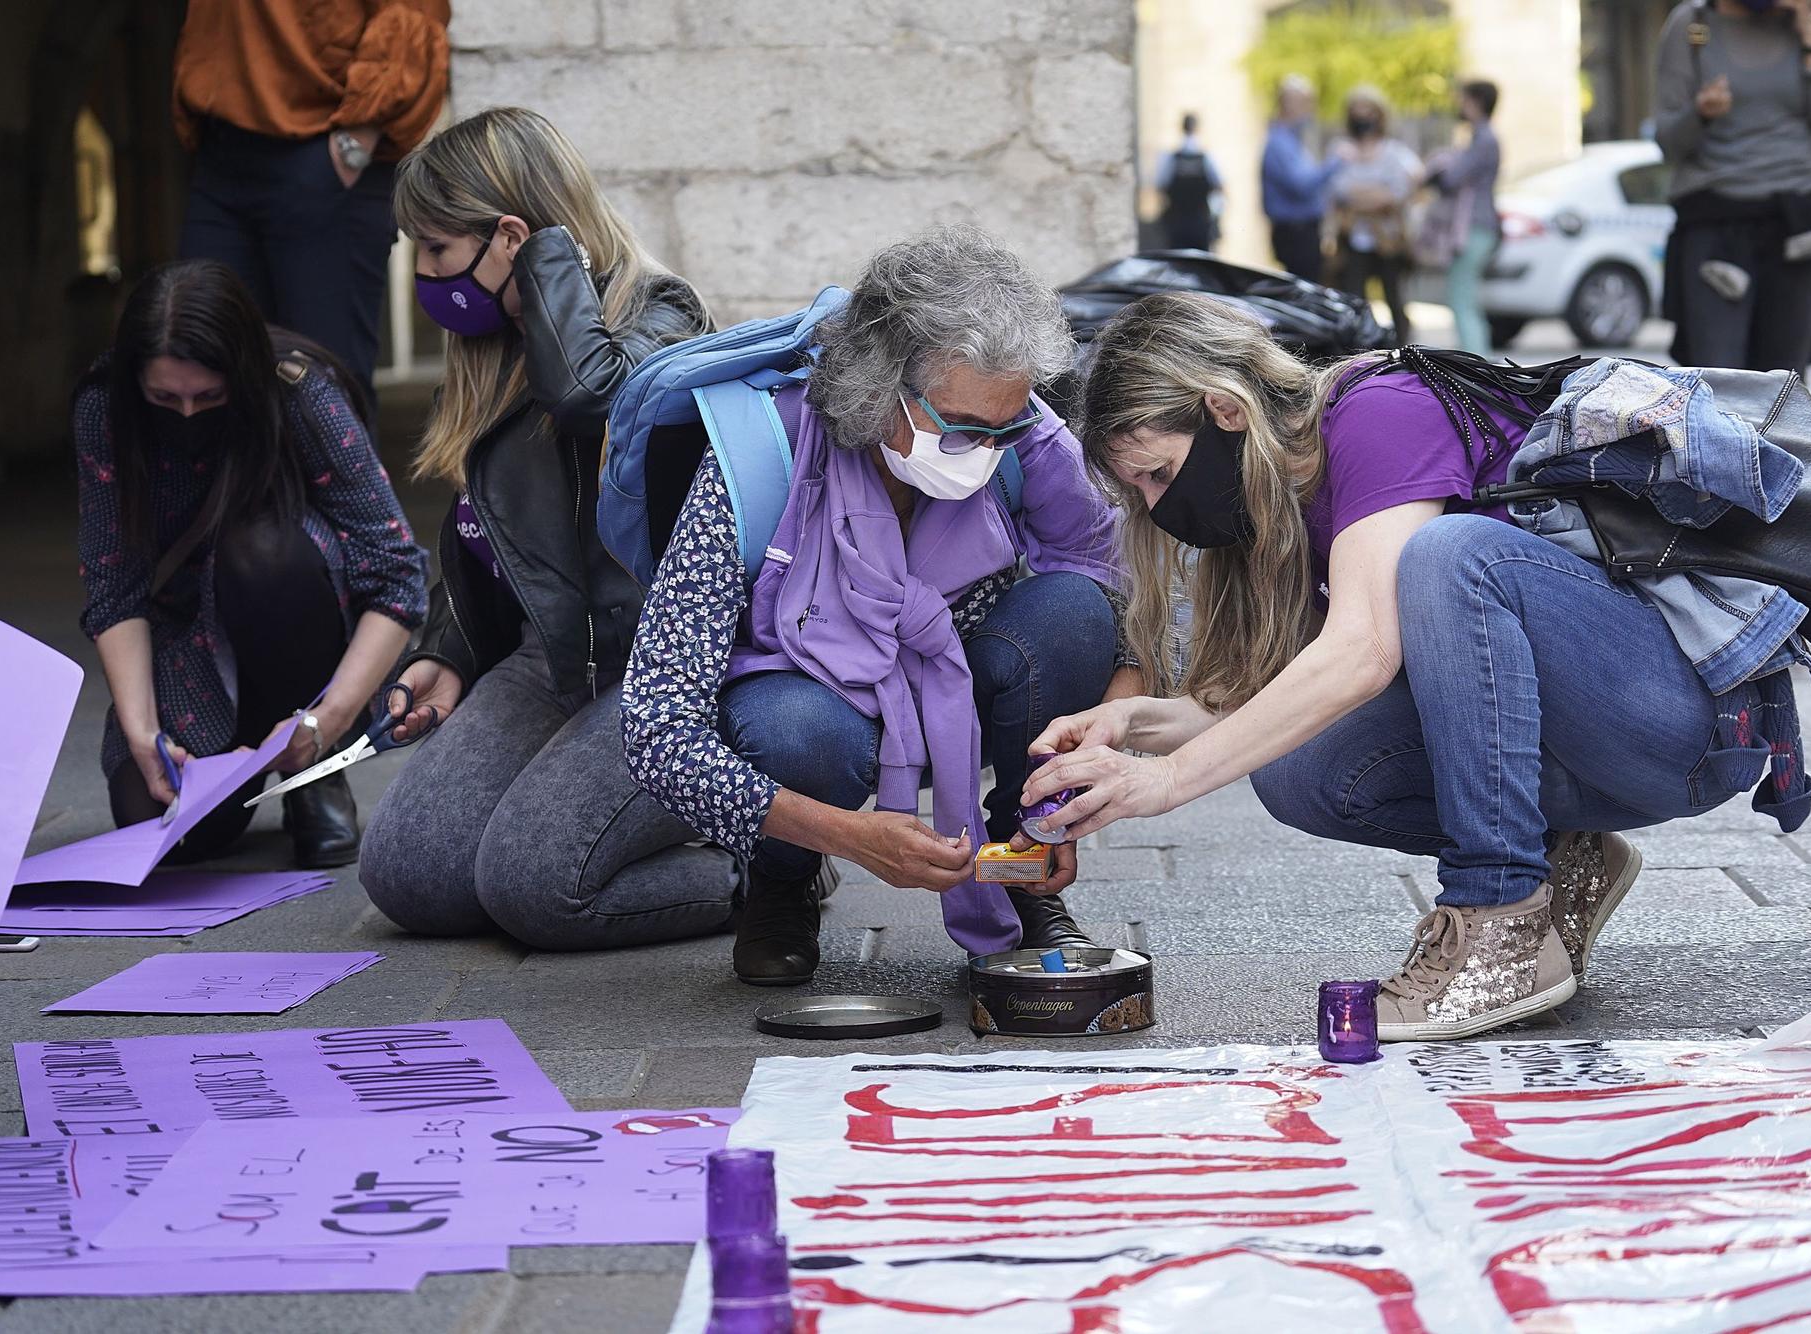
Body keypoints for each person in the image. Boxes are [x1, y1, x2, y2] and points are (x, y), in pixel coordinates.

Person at [1026, 294, 1810, 1041]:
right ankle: (1568, 855)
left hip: (1690, 723)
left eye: (1159, 472)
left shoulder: (1379, 410)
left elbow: (1361, 655)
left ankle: (1498, 918)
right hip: (1596, 733)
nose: (1161, 506)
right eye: (1139, 491)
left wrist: (1166, 784)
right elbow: (1292, 696)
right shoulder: (1288, 489)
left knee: (1450, 558)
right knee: (1303, 771)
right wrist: (1132, 727)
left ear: (1224, 410)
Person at [622, 226, 1135, 986]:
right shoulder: (758, 456)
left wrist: (1084, 779)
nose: (986, 450)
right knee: (793, 733)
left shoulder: (1013, 423)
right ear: (878, 390)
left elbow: (1132, 586)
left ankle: (1020, 869)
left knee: (1075, 614)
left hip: (964, 677)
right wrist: (848, 837)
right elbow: (655, 727)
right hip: (814, 698)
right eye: (960, 428)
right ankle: (784, 876)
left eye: (1006, 428)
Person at [357, 108, 718, 951]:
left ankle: (770, 866)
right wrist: (445, 650)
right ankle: (572, 824)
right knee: (410, 874)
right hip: (553, 660)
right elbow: (494, 535)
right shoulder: (495, 349)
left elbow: (593, 397)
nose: (426, 271)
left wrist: (551, 258)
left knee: (534, 887)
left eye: (437, 247)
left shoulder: (662, 317)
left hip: (667, 666)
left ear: (511, 236)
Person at [73, 259, 427, 866]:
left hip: (296, 616)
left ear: (240, 374)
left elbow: (397, 577)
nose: (186, 413)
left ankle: (311, 776)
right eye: (165, 397)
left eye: (208, 396)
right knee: (163, 832)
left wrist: (327, 723)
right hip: (190, 640)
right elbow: (113, 589)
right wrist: (141, 732)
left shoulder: (297, 391)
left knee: (260, 551)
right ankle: (228, 757)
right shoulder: (105, 409)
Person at [173, 0, 451, 400]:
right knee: (202, 369)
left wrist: (354, 143)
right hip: (221, 152)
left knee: (322, 392)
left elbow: (414, 13)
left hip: (322, 150)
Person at [1654, 0, 1811, 377]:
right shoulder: (1693, 23)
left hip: (1801, 225)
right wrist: (1700, 112)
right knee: (1718, 379)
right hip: (1717, 222)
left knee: (1783, 383)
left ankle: (1773, 440)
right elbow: (1668, 140)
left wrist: (1809, 37)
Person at [1326, 86, 1424, 346]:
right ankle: (1357, 354)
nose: (1362, 117)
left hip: (1387, 240)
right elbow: (1339, 188)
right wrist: (1375, 195)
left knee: (1394, 298)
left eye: (1367, 111)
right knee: (1353, 299)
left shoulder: (1393, 151)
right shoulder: (1341, 150)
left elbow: (1402, 190)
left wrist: (1366, 197)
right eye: (1356, 111)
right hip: (1353, 238)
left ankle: (1406, 350)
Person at [1425, 81, 1503, 357]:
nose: (1459, 105)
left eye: (1464, 99)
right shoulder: (1478, 138)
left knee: (1461, 298)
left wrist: (1436, 168)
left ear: (1476, 102)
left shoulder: (1484, 140)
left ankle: (1478, 362)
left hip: (1475, 228)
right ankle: (1479, 359)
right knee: (1465, 297)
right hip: (1477, 228)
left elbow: (1451, 178)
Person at [1261, 75, 1336, 283]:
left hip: (1303, 231)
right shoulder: (1280, 143)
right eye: (1306, 102)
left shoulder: (1293, 141)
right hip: (1296, 234)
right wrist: (1336, 162)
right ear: (1289, 104)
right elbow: (1302, 186)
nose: (1310, 109)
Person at [1155, 113, 1224, 252]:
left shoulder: (1170, 158)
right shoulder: (1206, 157)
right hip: (1200, 221)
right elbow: (1219, 186)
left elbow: (1160, 186)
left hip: (1177, 221)